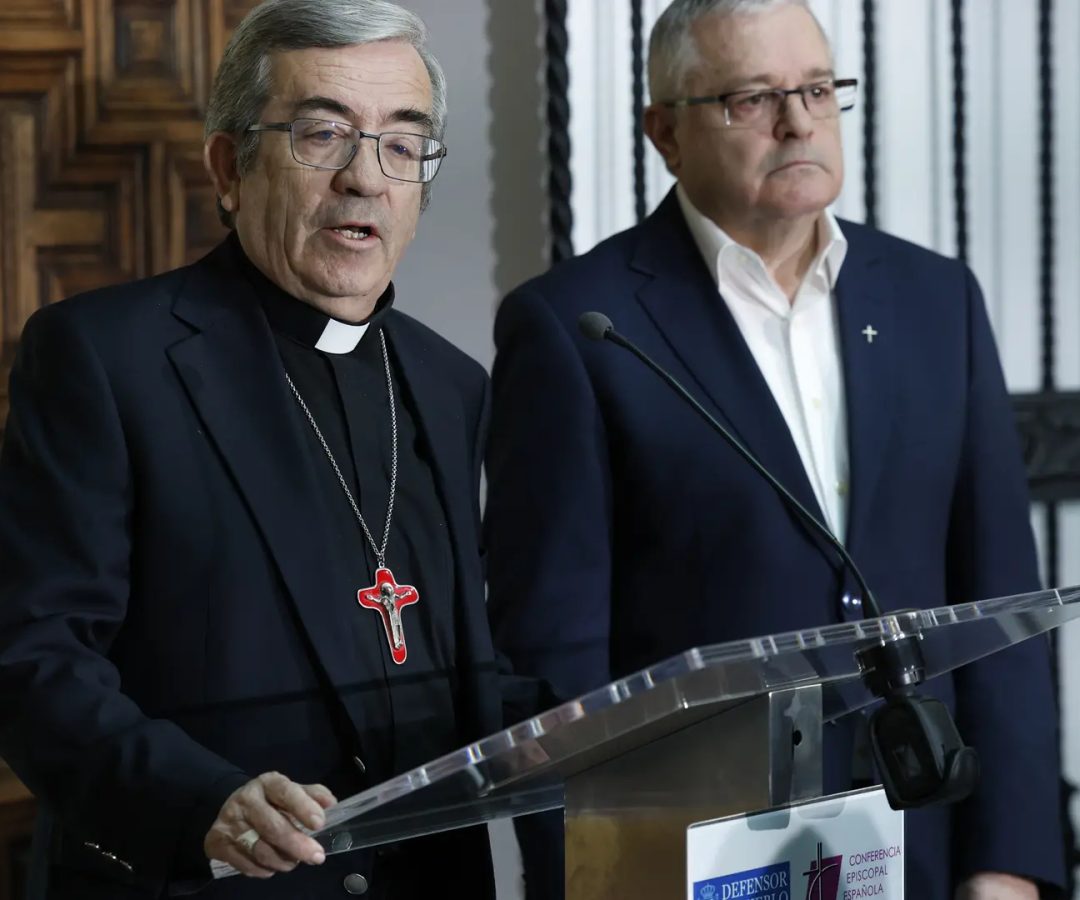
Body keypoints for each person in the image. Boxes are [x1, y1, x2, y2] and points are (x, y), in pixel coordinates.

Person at [483, 1, 1064, 898]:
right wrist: (592, 881)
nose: (798, 122)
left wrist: (1012, 863)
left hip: (926, 840)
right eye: (752, 98)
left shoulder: (934, 298)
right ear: (664, 132)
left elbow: (1001, 609)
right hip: (698, 857)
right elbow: (558, 662)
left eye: (819, 89)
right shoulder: (578, 326)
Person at [0, 1, 541, 897]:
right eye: (323, 135)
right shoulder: (105, 358)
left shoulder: (452, 386)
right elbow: (33, 656)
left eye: (402, 145)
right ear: (230, 166)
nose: (365, 179)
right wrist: (196, 802)